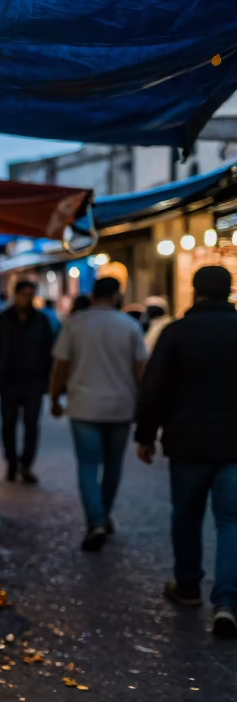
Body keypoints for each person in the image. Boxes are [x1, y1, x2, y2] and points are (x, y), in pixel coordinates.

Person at [134, 266, 237, 637]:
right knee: (232, 522)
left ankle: (188, 586)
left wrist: (145, 434)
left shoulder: (176, 333)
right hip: (234, 447)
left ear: (194, 292)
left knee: (187, 516)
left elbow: (155, 387)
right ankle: (227, 601)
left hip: (188, 443)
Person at [49, 276, 147, 551]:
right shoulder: (130, 326)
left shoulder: (76, 323)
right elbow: (141, 370)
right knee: (113, 465)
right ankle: (103, 514)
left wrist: (55, 397)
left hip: (84, 406)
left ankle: (96, 520)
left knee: (88, 465)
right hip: (121, 407)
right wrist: (145, 405)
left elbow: (60, 366)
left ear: (92, 296)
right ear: (117, 296)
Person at [0, 280, 53, 483]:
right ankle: (11, 463)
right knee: (8, 424)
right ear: (16, 295)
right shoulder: (3, 319)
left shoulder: (41, 320)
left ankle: (26, 465)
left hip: (34, 380)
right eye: (24, 294)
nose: (27, 298)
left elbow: (49, 350)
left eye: (31, 294)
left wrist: (50, 379)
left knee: (32, 425)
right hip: (8, 379)